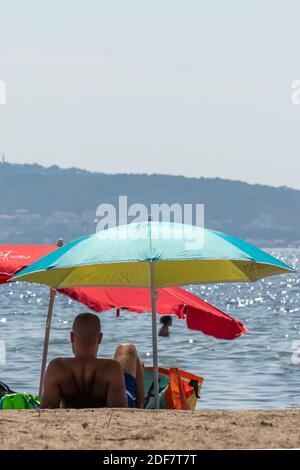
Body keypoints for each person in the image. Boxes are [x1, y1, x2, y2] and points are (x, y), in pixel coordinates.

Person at [40, 312, 144, 409]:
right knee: (128, 348)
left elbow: (47, 409)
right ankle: (141, 406)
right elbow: (119, 410)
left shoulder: (56, 367)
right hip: (112, 400)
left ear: (72, 337)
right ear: (100, 338)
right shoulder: (112, 368)